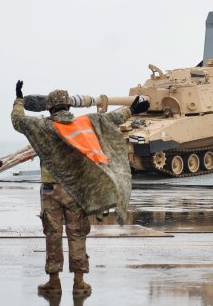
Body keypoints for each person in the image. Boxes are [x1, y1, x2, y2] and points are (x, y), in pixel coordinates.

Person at [11, 80, 150, 295]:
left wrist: (19, 99)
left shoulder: (41, 126)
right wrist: (133, 109)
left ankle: (54, 281)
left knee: (53, 233)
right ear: (68, 107)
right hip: (76, 190)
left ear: (49, 107)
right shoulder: (84, 124)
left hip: (50, 190)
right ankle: (79, 283)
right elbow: (110, 119)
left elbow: (18, 121)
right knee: (77, 234)